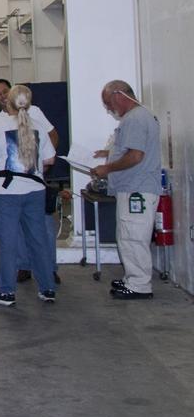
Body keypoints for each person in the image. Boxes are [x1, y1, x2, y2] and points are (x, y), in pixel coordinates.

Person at [0, 84, 58, 306]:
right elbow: (49, 159)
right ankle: (47, 288)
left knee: (8, 242)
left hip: (7, 192)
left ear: (9, 102)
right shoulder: (37, 125)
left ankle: (6, 291)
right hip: (35, 191)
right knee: (38, 239)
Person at [89, 80, 161, 300]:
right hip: (133, 188)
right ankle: (133, 277)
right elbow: (130, 150)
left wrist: (107, 168)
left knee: (133, 237)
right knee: (128, 235)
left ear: (120, 95)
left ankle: (139, 284)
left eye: (109, 103)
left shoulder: (135, 119)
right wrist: (108, 154)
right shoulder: (137, 117)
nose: (110, 109)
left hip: (137, 190)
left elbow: (135, 156)